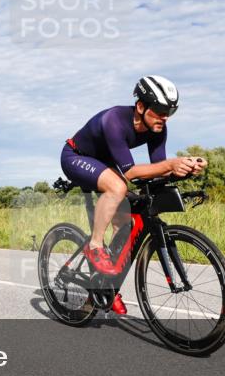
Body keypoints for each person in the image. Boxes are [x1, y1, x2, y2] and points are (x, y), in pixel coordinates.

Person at [60, 75, 206, 314]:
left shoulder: (159, 129)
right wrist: (171, 164)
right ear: (141, 106)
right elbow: (131, 173)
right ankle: (94, 245)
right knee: (118, 187)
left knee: (125, 224)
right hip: (76, 157)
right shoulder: (114, 120)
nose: (165, 117)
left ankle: (104, 289)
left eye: (170, 111)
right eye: (159, 110)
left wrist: (183, 170)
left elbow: (156, 171)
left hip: (106, 162)